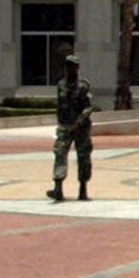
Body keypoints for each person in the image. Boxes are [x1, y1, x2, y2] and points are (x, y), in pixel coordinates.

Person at [47, 53, 94, 202]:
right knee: (59, 153)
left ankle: (83, 188)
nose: (69, 68)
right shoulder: (60, 85)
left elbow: (88, 107)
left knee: (83, 157)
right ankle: (58, 188)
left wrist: (78, 123)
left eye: (72, 66)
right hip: (65, 127)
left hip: (81, 128)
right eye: (67, 66)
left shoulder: (83, 86)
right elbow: (60, 107)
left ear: (77, 68)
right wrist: (62, 124)